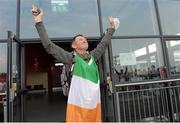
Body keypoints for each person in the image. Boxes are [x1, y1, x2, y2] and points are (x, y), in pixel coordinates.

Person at [31, 4, 118, 122]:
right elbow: (49, 46)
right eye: (80, 39)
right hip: (78, 110)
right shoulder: (70, 58)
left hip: (94, 107)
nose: (84, 40)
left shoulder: (93, 56)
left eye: (85, 39)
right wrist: (38, 21)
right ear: (74, 46)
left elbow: (103, 44)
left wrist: (112, 28)